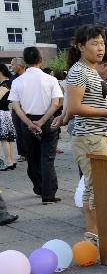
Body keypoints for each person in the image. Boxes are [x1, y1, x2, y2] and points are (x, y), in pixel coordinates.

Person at [58, 24, 107, 245]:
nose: (100, 48)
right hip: (90, 137)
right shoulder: (79, 70)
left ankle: (94, 235)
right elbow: (77, 106)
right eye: (94, 43)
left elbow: (75, 106)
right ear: (80, 46)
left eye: (101, 43)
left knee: (94, 185)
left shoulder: (90, 69)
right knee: (97, 186)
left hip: (96, 135)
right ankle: (96, 234)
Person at [8, 46, 64, 203]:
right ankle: (48, 194)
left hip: (26, 121)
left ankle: (38, 187)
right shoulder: (50, 79)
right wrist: (42, 121)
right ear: (41, 60)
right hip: (47, 121)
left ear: (25, 61)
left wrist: (29, 123)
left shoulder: (18, 81)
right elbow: (56, 104)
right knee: (47, 158)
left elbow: (16, 107)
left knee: (32, 157)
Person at [9, 58, 27, 162]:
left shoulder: (30, 77)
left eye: (12, 65)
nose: (11, 67)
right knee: (19, 132)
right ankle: (23, 154)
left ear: (19, 66)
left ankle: (32, 152)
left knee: (29, 131)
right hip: (16, 109)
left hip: (30, 108)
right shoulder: (13, 79)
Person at [0, 64, 16, 170]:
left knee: (4, 139)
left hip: (2, 113)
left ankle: (8, 161)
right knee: (8, 139)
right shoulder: (8, 82)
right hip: (5, 113)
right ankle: (11, 161)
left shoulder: (5, 84)